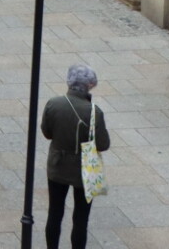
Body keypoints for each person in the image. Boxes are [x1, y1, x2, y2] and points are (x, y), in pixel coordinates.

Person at [40, 64, 112, 249]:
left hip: (57, 165)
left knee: (55, 212)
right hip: (85, 170)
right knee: (81, 218)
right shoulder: (94, 112)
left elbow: (47, 132)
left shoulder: (53, 104)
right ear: (89, 85)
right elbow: (103, 144)